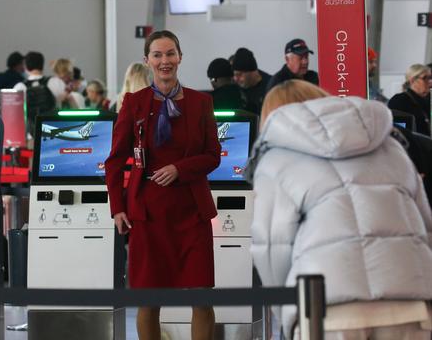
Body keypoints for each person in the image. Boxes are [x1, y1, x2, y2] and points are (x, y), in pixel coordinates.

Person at [247, 80, 432, 339]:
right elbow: (425, 226)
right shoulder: (391, 147)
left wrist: (287, 313)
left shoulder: (276, 160)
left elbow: (272, 248)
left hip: (328, 310)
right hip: (410, 303)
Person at [105, 30, 221, 340]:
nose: (164, 61)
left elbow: (213, 156)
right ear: (147, 61)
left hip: (192, 212)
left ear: (180, 57)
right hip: (148, 213)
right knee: (149, 301)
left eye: (170, 54)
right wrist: (117, 208)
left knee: (202, 298)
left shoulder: (201, 102)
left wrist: (179, 169)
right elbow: (115, 161)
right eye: (157, 55)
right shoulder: (134, 103)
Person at [389, 64, 432, 136]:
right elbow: (398, 131)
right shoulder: (399, 101)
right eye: (425, 78)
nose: (430, 81)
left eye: (430, 78)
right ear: (412, 81)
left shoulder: (429, 99)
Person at [231, 47, 271, 114]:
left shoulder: (271, 86)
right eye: (234, 75)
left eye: (239, 75)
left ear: (252, 72)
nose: (235, 78)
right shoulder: (233, 87)